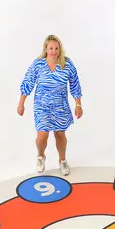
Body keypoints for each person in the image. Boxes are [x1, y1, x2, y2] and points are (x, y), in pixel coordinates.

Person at [18, 34, 83, 176]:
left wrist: (78, 105)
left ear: (60, 49)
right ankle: (40, 156)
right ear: (46, 49)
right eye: (51, 48)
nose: (54, 51)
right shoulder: (38, 64)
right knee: (42, 136)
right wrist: (21, 103)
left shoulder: (67, 64)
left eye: (56, 48)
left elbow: (75, 85)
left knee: (60, 134)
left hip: (60, 105)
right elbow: (28, 82)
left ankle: (62, 160)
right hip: (42, 105)